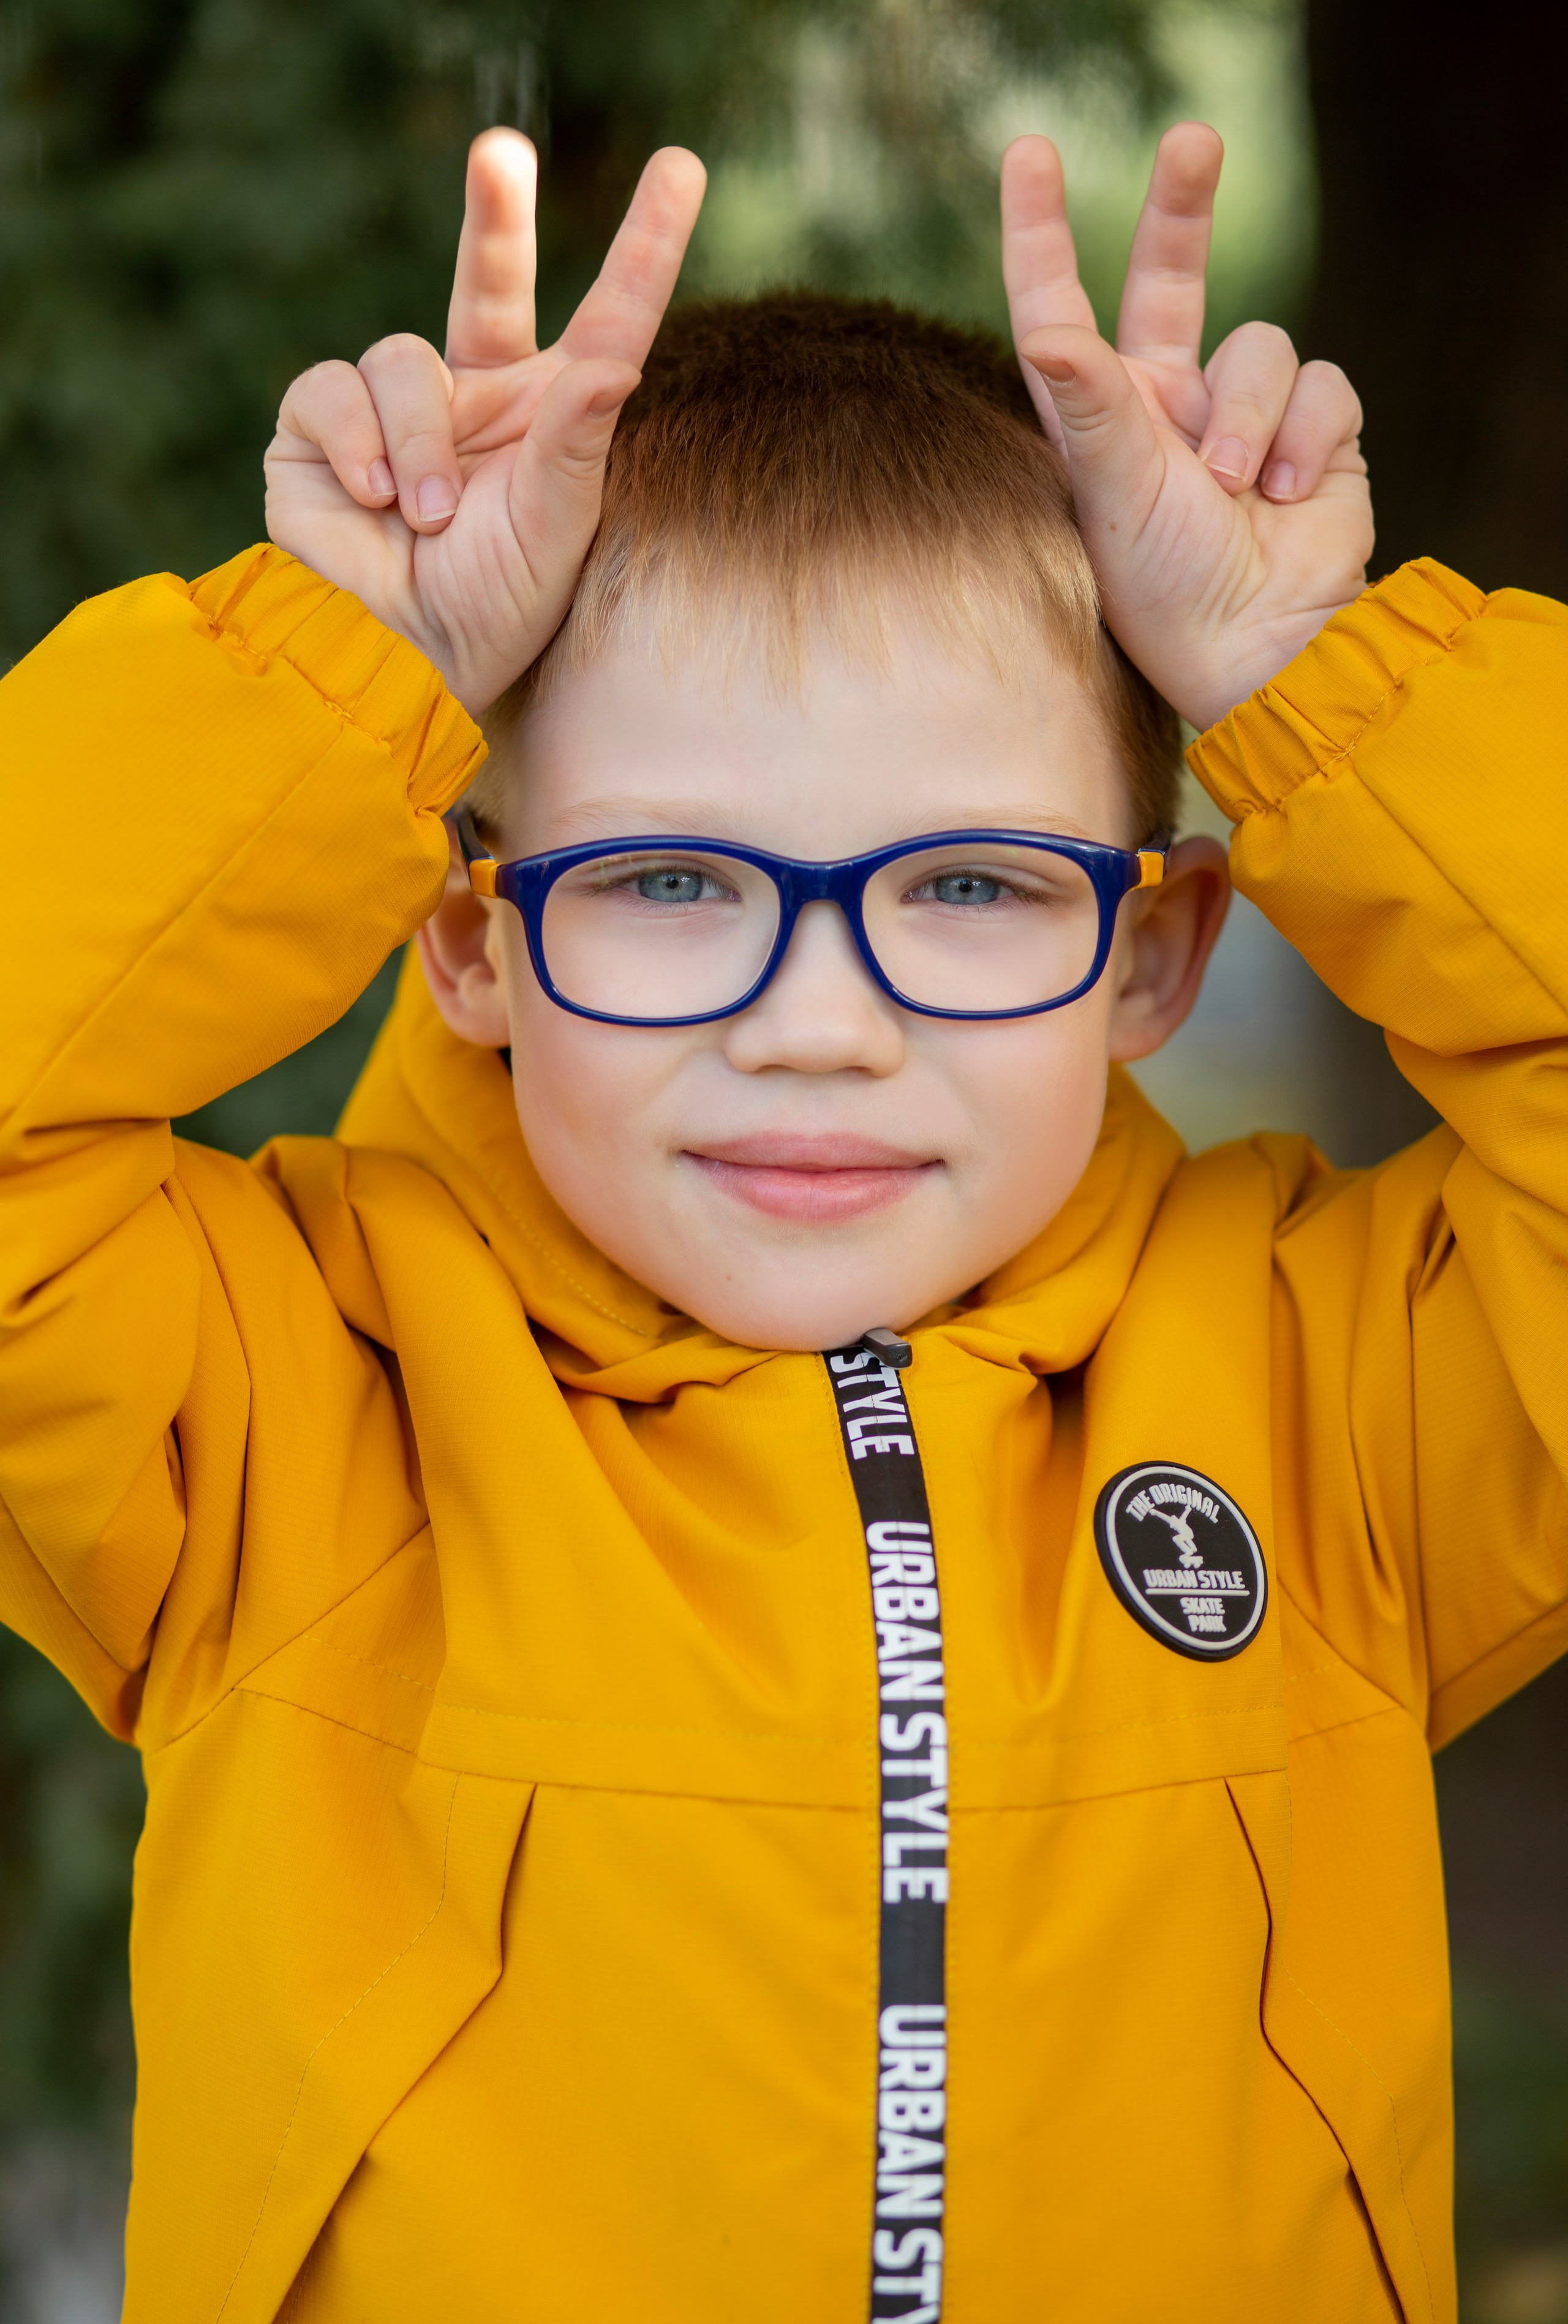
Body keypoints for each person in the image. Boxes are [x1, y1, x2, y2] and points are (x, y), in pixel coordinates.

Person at [0, 114, 1561, 2324]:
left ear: (1150, 950)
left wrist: (1323, 676)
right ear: (467, 941)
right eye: (663, 883)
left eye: (967, 885)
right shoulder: (289, 1411)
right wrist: (329, 670)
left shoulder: (1337, 1395)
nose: (818, 1027)